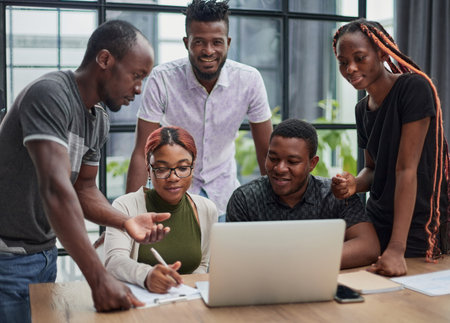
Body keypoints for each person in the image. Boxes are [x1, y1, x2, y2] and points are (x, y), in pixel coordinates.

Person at [0, 20, 170, 321]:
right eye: (136, 75)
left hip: (44, 254)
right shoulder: (50, 95)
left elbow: (84, 189)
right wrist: (99, 278)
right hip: (7, 259)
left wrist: (125, 221)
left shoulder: (99, 118)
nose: (139, 89)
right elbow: (55, 188)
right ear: (104, 60)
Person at [126, 0, 273, 215]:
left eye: (217, 42)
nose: (208, 50)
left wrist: (272, 210)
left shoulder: (249, 80)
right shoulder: (162, 78)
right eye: (199, 42)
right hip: (172, 194)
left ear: (228, 43)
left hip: (224, 196)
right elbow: (142, 153)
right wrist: (129, 217)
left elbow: (265, 153)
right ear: (187, 42)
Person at [331, 18, 448, 276]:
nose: (350, 68)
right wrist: (354, 184)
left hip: (417, 227)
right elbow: (372, 169)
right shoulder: (362, 108)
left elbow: (406, 169)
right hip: (377, 223)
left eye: (359, 58)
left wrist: (396, 248)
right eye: (342, 62)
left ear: (382, 53)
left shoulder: (414, 88)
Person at [226, 119, 380, 269]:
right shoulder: (245, 199)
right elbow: (233, 260)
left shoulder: (335, 194)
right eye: (273, 158)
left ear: (312, 164)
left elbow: (368, 246)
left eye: (292, 162)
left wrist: (300, 260)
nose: (279, 168)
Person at [104, 126, 218, 293]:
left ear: (193, 168)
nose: (173, 177)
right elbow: (113, 262)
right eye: (162, 169)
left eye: (183, 168)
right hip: (141, 301)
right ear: (149, 169)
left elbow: (202, 264)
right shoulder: (124, 206)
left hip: (186, 300)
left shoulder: (207, 209)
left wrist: (183, 287)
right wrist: (147, 275)